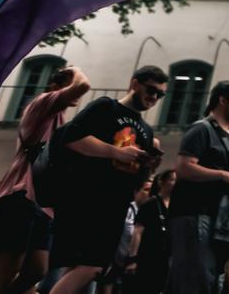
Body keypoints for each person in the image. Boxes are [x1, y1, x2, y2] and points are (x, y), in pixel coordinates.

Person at [48, 65, 164, 294]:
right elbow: (72, 139)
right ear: (134, 84)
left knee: (82, 268)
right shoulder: (106, 107)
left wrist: (148, 166)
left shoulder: (146, 130)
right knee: (92, 267)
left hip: (117, 204)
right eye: (151, 90)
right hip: (88, 195)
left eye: (160, 94)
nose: (154, 97)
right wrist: (117, 152)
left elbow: (137, 174)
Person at [0, 65, 90, 294]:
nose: (73, 92)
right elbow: (83, 86)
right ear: (54, 87)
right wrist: (75, 70)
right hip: (21, 194)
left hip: (42, 203)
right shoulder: (43, 103)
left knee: (37, 271)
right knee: (6, 269)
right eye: (66, 85)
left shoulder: (59, 119)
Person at [167, 80, 229, 294]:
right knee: (195, 278)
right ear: (222, 99)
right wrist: (223, 175)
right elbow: (183, 168)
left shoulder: (228, 138)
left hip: (216, 219)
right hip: (194, 213)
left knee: (206, 279)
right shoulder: (202, 129)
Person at [124, 169, 174, 294]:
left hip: (165, 258)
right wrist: (132, 259)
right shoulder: (150, 204)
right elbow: (137, 232)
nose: (175, 183)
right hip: (147, 256)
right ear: (162, 182)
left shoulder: (175, 207)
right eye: (172, 180)